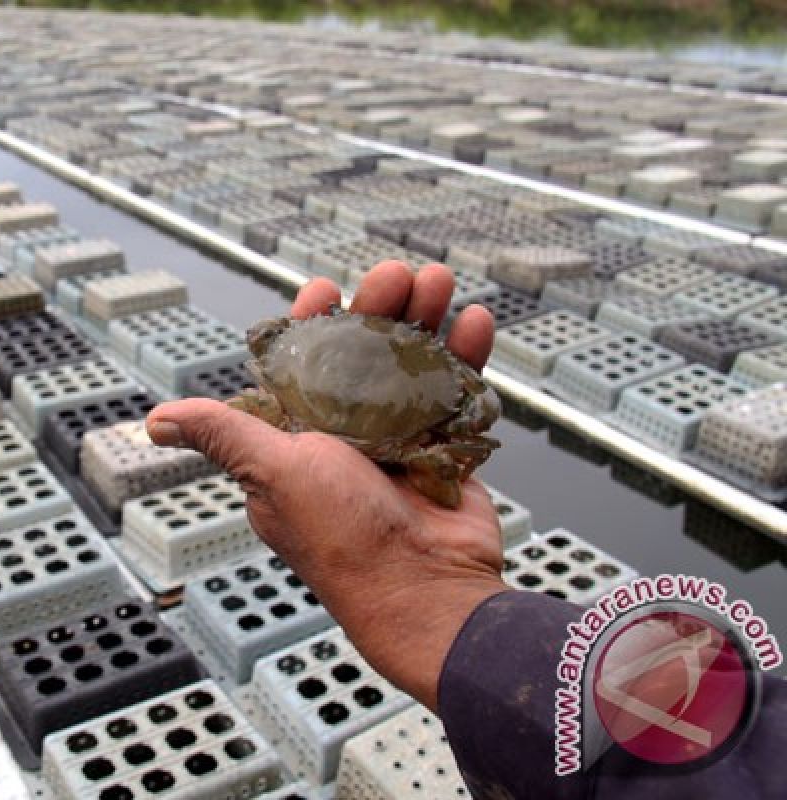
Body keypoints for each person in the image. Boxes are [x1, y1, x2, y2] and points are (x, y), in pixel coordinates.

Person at [145, 261, 784, 798]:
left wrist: (429, 590)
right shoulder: (445, 407)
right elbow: (475, 422)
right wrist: (440, 595)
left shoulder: (278, 372)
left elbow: (265, 339)